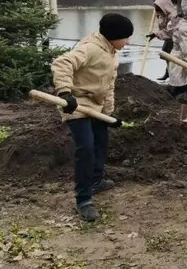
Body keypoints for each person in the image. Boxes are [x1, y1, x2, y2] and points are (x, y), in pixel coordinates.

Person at [51, 13, 132, 222]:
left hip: (96, 107)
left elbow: (108, 86)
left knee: (100, 143)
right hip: (77, 106)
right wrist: (64, 92)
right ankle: (84, 199)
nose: (127, 42)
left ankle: (96, 181)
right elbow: (62, 63)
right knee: (86, 148)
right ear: (114, 36)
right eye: (125, 37)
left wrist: (108, 115)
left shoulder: (111, 52)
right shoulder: (91, 48)